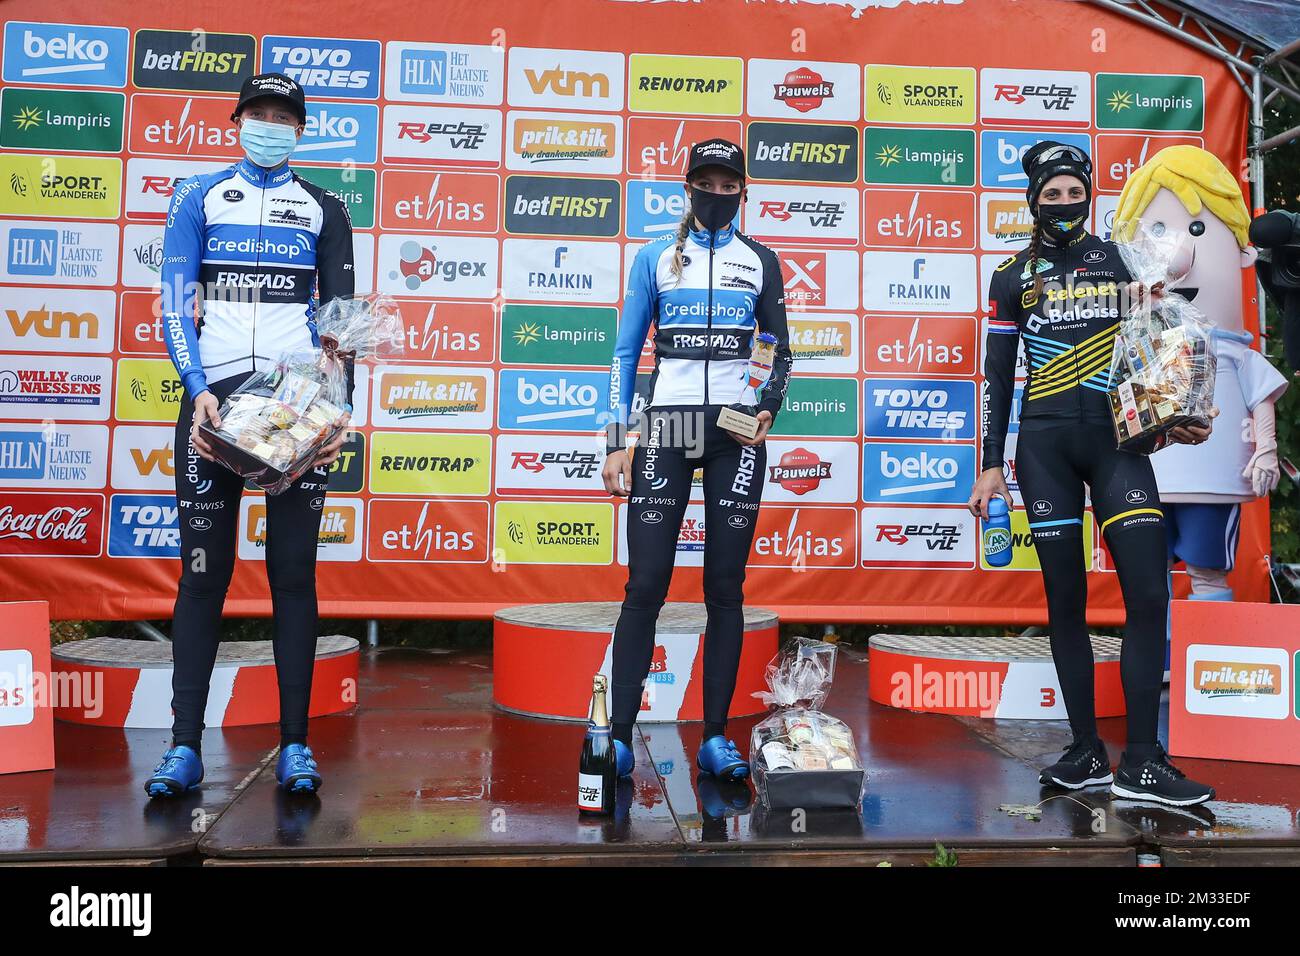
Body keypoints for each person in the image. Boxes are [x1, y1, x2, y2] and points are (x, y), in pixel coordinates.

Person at [969, 141, 1216, 806]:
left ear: (1089, 195)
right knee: (1066, 604)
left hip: (1116, 445)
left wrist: (1177, 411)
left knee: (1149, 595)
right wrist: (990, 464)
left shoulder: (1121, 258)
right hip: (1043, 448)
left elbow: (1160, 339)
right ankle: (1085, 751)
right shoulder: (1011, 277)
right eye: (1052, 194)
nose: (1064, 204)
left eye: (1074, 191)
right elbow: (996, 376)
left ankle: (1142, 760)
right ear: (1033, 199)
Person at [145, 73, 355, 798]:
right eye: (260, 114)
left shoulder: (326, 208)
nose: (271, 125)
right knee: (203, 577)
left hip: (296, 410)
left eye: (284, 117)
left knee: (293, 576)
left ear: (301, 130)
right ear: (237, 121)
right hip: (215, 405)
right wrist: (196, 390)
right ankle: (183, 749)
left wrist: (335, 416)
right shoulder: (196, 196)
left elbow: (339, 330)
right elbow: (174, 300)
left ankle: (295, 748)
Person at [602, 138, 793, 783]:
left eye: (728, 184)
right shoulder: (657, 256)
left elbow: (778, 349)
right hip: (669, 421)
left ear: (744, 190)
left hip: (735, 430)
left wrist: (767, 402)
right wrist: (615, 440)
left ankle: (714, 737)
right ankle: (620, 738)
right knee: (645, 586)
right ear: (688, 187)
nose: (717, 194)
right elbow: (627, 354)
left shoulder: (761, 261)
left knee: (725, 590)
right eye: (705, 183)